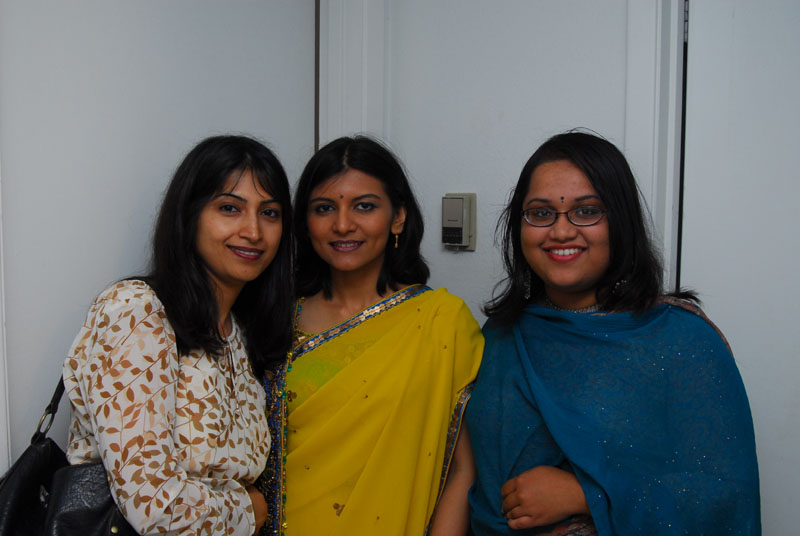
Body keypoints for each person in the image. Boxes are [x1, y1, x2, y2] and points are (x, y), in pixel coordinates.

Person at [466, 131, 760, 535]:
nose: (561, 231)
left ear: (620, 221)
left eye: (586, 211)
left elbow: (726, 499)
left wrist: (588, 495)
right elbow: (467, 475)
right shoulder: (503, 335)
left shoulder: (681, 340)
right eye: (541, 212)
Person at [62, 135, 294, 535]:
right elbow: (153, 505)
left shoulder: (240, 333)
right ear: (190, 216)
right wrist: (251, 511)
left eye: (269, 213)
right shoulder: (137, 311)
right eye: (230, 208)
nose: (253, 230)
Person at [260, 135, 483, 535]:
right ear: (305, 222)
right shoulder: (274, 318)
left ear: (398, 217)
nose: (343, 224)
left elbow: (462, 471)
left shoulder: (440, 321)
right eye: (324, 208)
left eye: (364, 206)